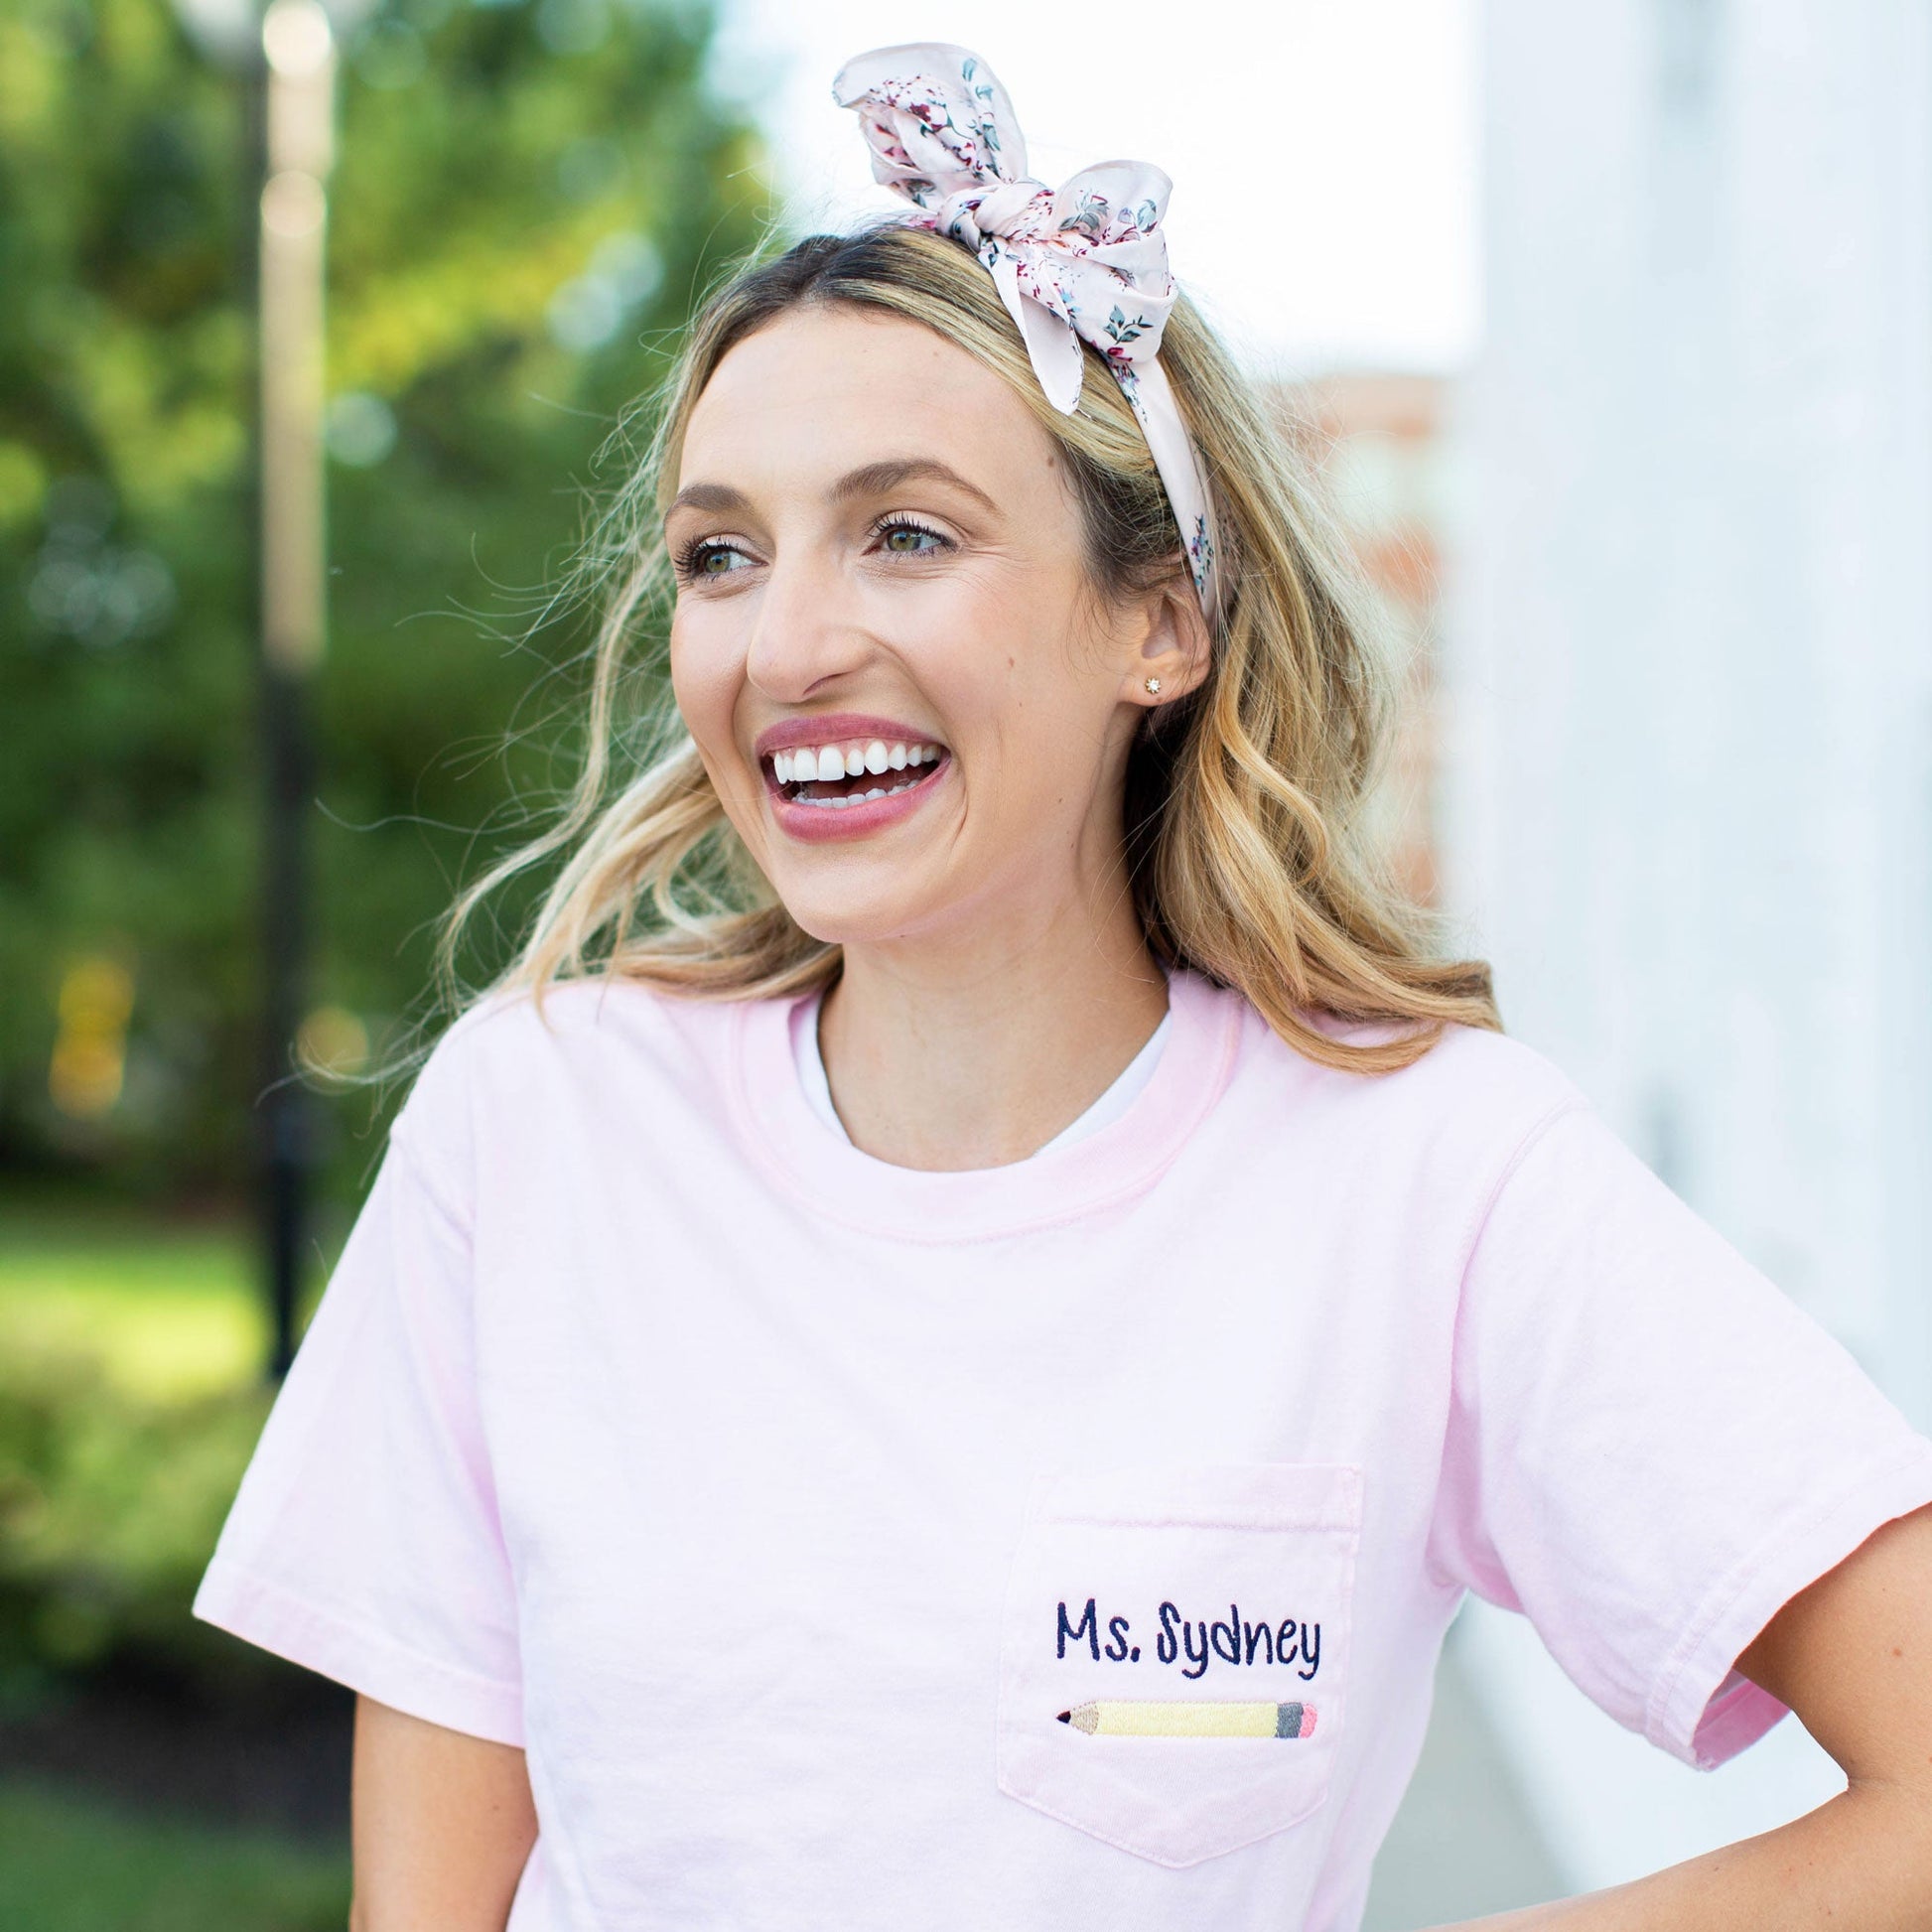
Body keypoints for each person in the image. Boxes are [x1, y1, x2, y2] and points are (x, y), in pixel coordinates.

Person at [193, 42, 1932, 1932]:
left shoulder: (1426, 1173)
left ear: (1158, 621)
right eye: (719, 555)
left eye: (907, 534)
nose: (786, 643)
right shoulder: (537, 1126)